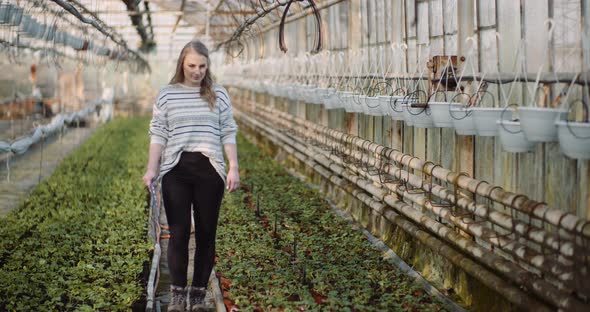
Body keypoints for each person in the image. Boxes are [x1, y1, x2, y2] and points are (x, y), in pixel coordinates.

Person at [142, 40, 239, 312]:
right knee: (179, 233)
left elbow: (227, 131)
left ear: (208, 66)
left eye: (202, 66)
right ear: (182, 65)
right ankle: (177, 297)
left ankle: (197, 296)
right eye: (192, 66)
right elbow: (158, 133)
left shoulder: (218, 94)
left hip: (210, 171)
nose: (197, 71)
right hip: (176, 171)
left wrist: (233, 166)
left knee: (207, 234)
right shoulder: (167, 95)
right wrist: (152, 168)